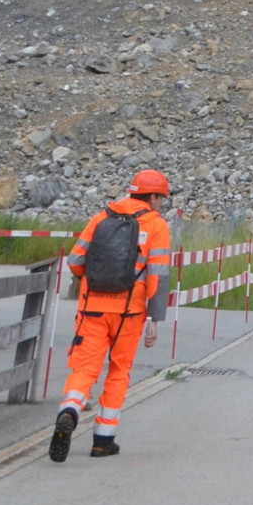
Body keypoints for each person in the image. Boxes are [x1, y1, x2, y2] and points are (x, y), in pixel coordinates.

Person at [52, 169, 174, 462]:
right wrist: (154, 322)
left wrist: (92, 284)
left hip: (92, 309)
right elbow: (158, 276)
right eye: (161, 199)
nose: (161, 204)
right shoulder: (156, 225)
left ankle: (69, 409)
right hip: (129, 314)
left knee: (84, 369)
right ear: (153, 196)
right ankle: (103, 441)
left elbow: (75, 260)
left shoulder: (101, 217)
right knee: (119, 371)